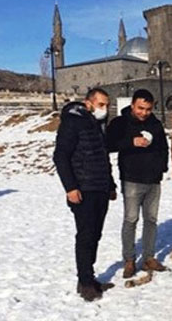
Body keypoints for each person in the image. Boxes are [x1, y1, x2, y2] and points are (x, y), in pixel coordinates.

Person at [53, 87, 117, 301]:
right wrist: (70, 187)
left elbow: (102, 157)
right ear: (88, 103)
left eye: (107, 105)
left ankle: (89, 277)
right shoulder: (73, 121)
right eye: (101, 104)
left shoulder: (96, 123)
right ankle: (85, 282)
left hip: (99, 187)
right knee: (86, 235)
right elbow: (61, 156)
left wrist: (111, 185)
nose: (105, 109)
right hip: (83, 189)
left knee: (95, 234)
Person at [105, 89, 169, 278]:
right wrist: (131, 142)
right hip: (131, 179)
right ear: (132, 105)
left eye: (148, 109)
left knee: (151, 220)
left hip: (153, 180)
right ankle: (129, 260)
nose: (144, 113)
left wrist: (162, 168)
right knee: (131, 220)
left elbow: (163, 147)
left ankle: (148, 257)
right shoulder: (120, 123)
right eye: (141, 108)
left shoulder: (155, 124)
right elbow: (108, 144)